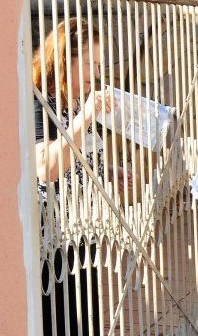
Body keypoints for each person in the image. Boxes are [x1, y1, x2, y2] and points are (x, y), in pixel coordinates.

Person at [33, 18, 127, 335]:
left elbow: (79, 157)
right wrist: (86, 116)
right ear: (64, 59)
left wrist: (110, 171)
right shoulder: (39, 104)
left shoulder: (74, 102)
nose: (97, 74)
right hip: (51, 244)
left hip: (81, 233)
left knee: (83, 321)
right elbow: (47, 169)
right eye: (90, 63)